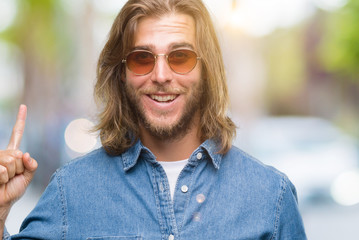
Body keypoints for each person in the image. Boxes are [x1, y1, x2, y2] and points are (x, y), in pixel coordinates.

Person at [0, 0, 307, 239]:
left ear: (207, 70)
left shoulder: (270, 195)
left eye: (181, 56)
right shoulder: (72, 190)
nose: (161, 75)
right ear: (122, 74)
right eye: (142, 58)